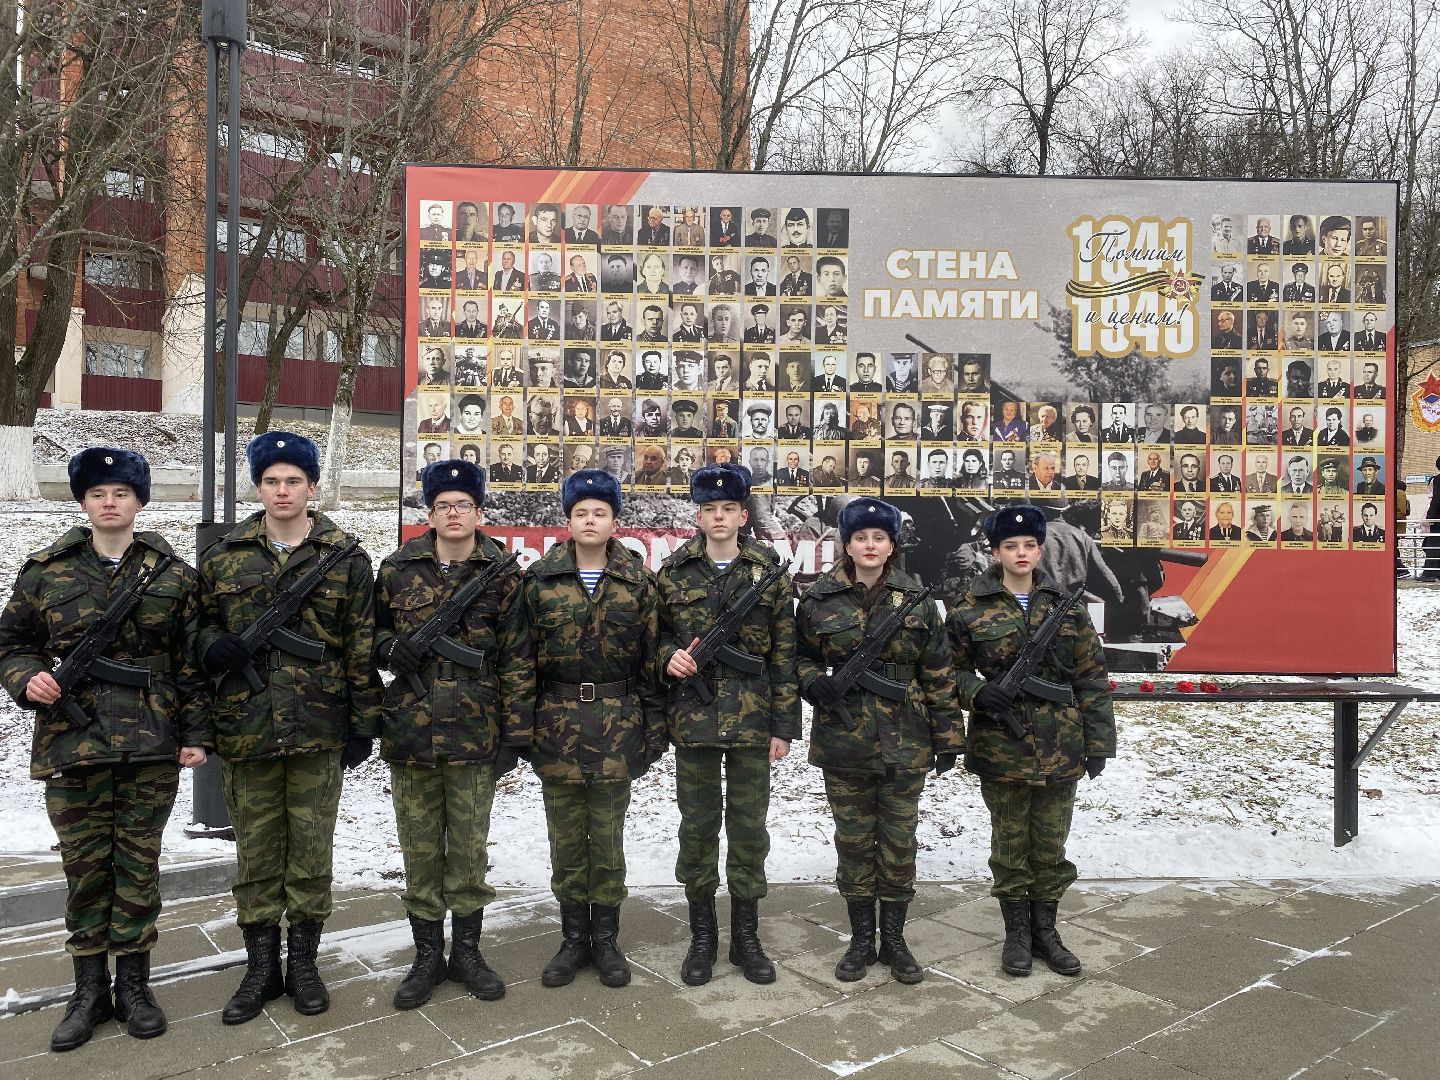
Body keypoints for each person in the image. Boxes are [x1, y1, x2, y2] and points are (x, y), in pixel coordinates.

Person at [0, 449, 208, 1051]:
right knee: (85, 873)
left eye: (121, 492)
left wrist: (195, 735)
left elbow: (191, 664)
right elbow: (12, 643)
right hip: (73, 744)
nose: (110, 502)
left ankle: (135, 987)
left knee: (138, 869)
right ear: (83, 502)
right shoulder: (46, 571)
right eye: (98, 493)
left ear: (140, 501)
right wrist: (26, 679)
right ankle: (88, 989)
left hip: (150, 745)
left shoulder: (173, 575)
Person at [199, 431, 382, 1025]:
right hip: (247, 729)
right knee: (255, 854)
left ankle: (303, 963)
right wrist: (212, 644)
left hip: (318, 727)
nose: (283, 491)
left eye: (294, 481)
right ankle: (259, 968)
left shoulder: (345, 556)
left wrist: (363, 722)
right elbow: (191, 631)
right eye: (273, 481)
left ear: (311, 486)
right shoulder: (225, 555)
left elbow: (359, 644)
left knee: (309, 851)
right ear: (259, 487)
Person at [372, 460, 527, 1009]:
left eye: (463, 505)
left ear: (479, 511)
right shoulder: (396, 567)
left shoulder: (505, 573)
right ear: (430, 513)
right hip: (412, 732)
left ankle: (466, 952)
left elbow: (518, 658)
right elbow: (368, 636)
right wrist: (389, 649)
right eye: (443, 506)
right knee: (419, 848)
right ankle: (425, 957)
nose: (453, 514)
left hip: (476, 731)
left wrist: (515, 735)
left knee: (467, 849)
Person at [797, 498, 961, 983]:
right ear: (846, 543)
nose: (870, 546)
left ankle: (894, 939)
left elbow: (938, 672)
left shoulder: (916, 599)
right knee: (853, 842)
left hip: (906, 738)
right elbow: (795, 657)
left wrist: (949, 737)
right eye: (861, 537)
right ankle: (860, 940)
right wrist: (813, 681)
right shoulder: (819, 598)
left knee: (897, 842)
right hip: (843, 739)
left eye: (879, 538)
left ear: (892, 545)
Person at [947, 505, 1114, 978]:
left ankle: (1047, 931)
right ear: (995, 551)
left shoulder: (1067, 606)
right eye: (1010, 546)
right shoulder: (969, 606)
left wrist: (1099, 742)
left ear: (1039, 550)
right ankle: (1016, 934)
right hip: (1002, 746)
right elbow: (947, 672)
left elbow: (1091, 679)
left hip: (1062, 743)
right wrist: (979, 692)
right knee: (1009, 844)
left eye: (1029, 546)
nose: (1020, 553)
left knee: (1050, 845)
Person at [516, 469, 667, 990]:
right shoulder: (538, 581)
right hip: (555, 724)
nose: (590, 520)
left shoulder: (638, 582)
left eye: (599, 512)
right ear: (568, 520)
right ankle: (572, 939)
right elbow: (521, 661)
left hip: (616, 725)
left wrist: (654, 729)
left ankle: (605, 940)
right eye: (581, 512)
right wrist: (520, 729)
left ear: (614, 521)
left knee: (606, 838)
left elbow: (652, 662)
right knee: (565, 839)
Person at [657, 464, 797, 985]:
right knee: (696, 829)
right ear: (698, 515)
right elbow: (655, 636)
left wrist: (783, 726)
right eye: (709, 509)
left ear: (743, 515)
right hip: (693, 721)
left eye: (729, 509)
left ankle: (745, 937)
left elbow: (785, 654)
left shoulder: (768, 572)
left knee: (748, 828)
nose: (719, 517)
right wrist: (666, 657)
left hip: (752, 723)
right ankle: (702, 937)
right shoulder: (674, 572)